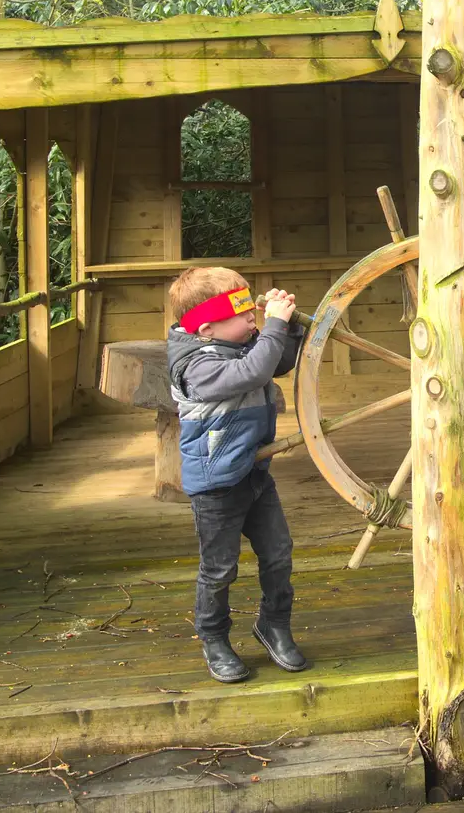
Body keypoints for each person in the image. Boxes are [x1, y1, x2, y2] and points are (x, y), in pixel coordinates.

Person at [167, 267, 308, 683]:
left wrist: (289, 327)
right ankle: (214, 638)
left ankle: (274, 625)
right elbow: (254, 372)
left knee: (279, 554)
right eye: (243, 315)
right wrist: (274, 325)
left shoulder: (235, 344)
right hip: (215, 484)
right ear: (207, 327)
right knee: (219, 568)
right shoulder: (195, 365)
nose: (253, 321)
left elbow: (276, 360)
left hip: (254, 474)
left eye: (254, 313)